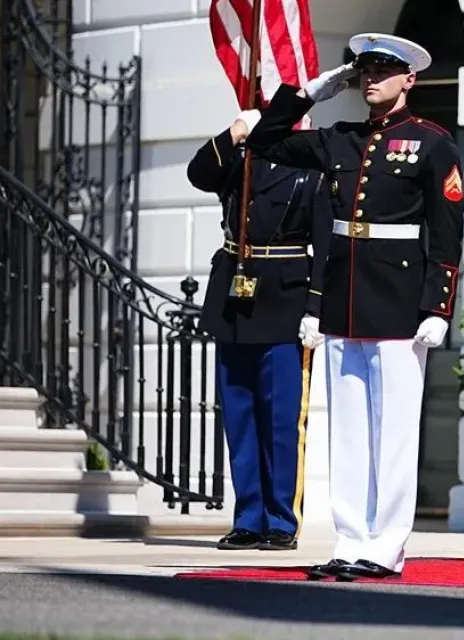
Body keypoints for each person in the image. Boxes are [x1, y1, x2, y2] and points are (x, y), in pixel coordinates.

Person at [243, 33, 464, 581]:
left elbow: (446, 231)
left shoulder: (431, 142)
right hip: (343, 298)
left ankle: (386, 544)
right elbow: (264, 143)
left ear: (409, 79)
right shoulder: (339, 138)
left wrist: (438, 307)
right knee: (346, 430)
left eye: (383, 71)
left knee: (391, 431)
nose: (371, 79)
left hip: (398, 301)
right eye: (363, 71)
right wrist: (309, 93)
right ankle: (350, 539)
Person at [186, 97, 330, 552]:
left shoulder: (312, 172)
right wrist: (232, 136)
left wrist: (315, 308)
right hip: (236, 300)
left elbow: (325, 247)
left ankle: (280, 519)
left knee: (282, 422)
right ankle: (248, 517)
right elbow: (198, 174)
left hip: (285, 300)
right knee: (241, 417)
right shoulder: (240, 162)